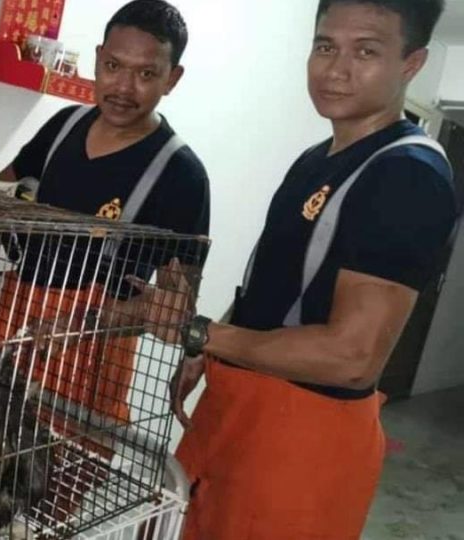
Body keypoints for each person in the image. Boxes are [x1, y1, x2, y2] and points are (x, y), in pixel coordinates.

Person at [170, 1, 458, 538]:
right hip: (241, 410)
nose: (336, 69)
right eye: (325, 46)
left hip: (302, 439)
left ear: (411, 64)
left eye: (365, 52)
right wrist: (205, 350)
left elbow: (352, 359)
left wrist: (202, 333)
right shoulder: (316, 158)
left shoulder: (407, 176)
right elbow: (271, 284)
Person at [0, 0, 209, 423]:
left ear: (172, 78)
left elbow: (174, 309)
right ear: (97, 58)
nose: (123, 87)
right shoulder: (64, 126)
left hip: (91, 356)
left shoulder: (182, 175)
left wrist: (87, 321)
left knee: (55, 459)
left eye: (146, 74)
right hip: (11, 326)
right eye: (113, 66)